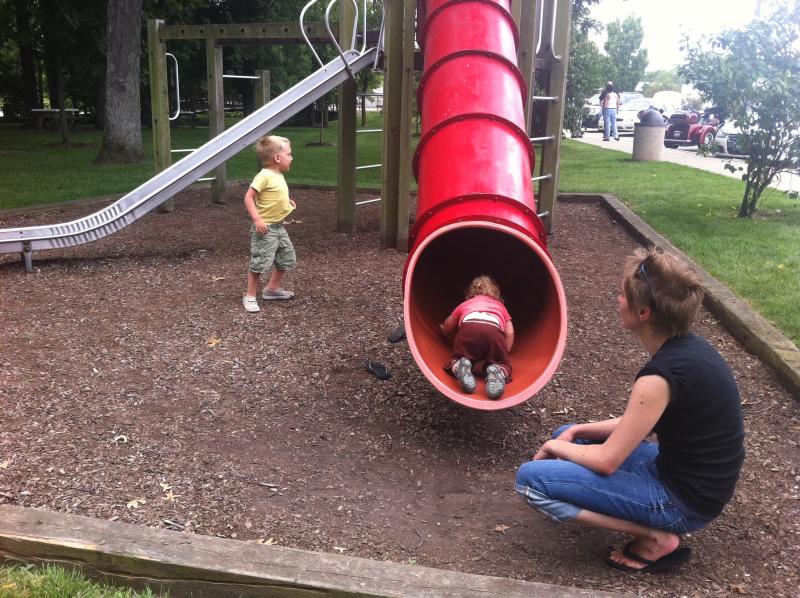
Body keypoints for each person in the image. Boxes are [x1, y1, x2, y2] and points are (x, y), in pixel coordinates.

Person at [515, 247, 744, 573]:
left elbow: (607, 461)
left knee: (529, 481)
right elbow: (640, 422)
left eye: (622, 295)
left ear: (643, 312)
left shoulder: (658, 378)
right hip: (683, 477)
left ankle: (654, 536)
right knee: (569, 437)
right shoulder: (691, 349)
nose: (617, 299)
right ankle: (632, 509)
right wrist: (576, 431)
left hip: (683, 503)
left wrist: (554, 446)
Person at [242, 135, 297, 313]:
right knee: (259, 263)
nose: (291, 157)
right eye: (289, 154)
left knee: (286, 258)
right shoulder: (264, 176)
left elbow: (273, 195)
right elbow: (248, 197)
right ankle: (250, 295)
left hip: (279, 227)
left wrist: (287, 202)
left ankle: (271, 289)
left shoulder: (278, 175)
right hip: (265, 230)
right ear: (277, 158)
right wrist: (257, 219)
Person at [439, 275, 515, 399]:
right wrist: (504, 352)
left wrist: (442, 328)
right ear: (496, 295)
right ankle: (497, 371)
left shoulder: (465, 304)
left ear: (470, 293)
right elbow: (510, 333)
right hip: (493, 334)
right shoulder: (500, 307)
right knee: (501, 363)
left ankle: (460, 365)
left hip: (469, 331)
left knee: (458, 357)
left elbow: (449, 324)